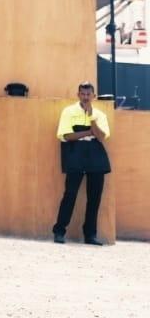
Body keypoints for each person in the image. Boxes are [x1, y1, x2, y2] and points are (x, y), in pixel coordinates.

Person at [52, 82, 112, 246]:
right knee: (70, 194)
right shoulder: (68, 111)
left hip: (95, 155)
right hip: (75, 154)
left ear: (93, 96)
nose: (85, 97)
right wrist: (89, 132)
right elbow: (66, 135)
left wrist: (91, 118)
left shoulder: (99, 115)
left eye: (88, 94)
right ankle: (59, 231)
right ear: (78, 95)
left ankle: (90, 235)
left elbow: (101, 137)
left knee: (94, 198)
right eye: (83, 94)